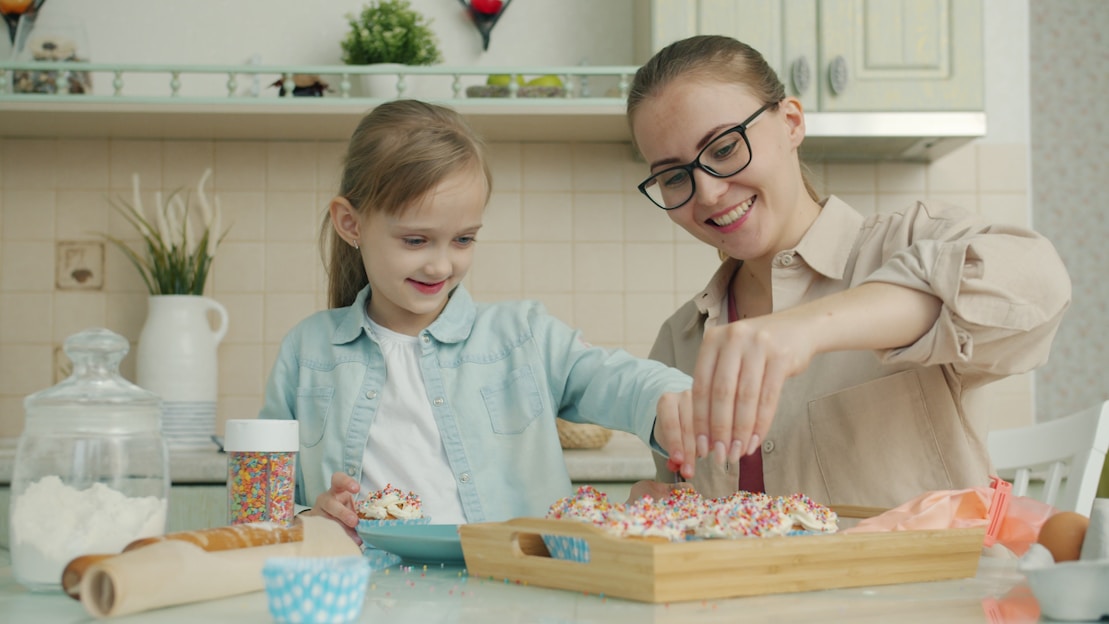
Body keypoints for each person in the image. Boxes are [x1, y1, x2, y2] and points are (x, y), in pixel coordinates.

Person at [625, 35, 1071, 509]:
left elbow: (1040, 286)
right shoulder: (678, 343)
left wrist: (809, 327)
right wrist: (665, 514)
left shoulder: (908, 242)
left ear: (791, 123)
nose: (709, 193)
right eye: (674, 177)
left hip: (931, 584)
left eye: (724, 147)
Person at [258, 99, 697, 542]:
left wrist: (669, 399)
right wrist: (310, 516)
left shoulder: (521, 337)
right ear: (350, 223)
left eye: (464, 239)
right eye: (416, 240)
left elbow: (613, 377)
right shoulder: (307, 351)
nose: (440, 266)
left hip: (511, 594)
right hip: (367, 597)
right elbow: (262, 502)